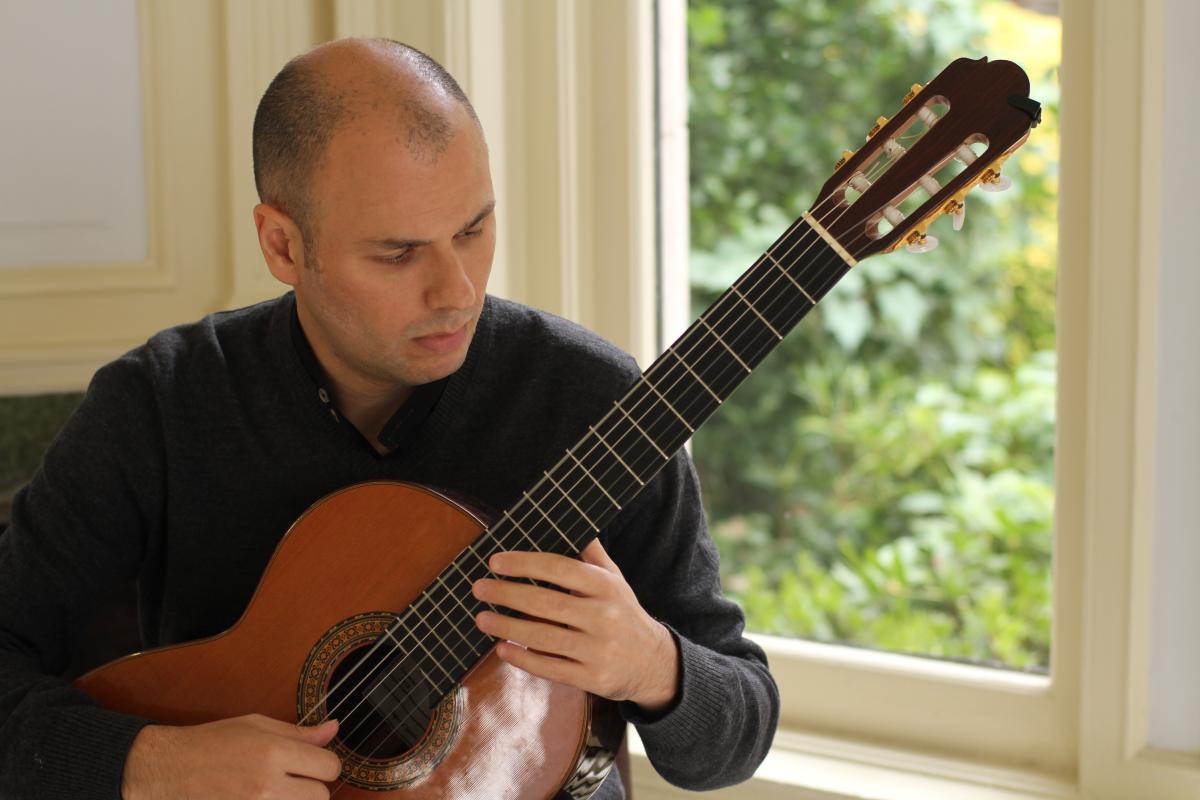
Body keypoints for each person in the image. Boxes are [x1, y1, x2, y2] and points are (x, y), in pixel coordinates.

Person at [0, 38, 778, 799]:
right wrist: (152, 765)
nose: (458, 291)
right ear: (282, 243)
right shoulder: (161, 404)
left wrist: (654, 666)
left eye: (473, 230)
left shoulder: (594, 400)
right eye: (398, 253)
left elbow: (740, 729)